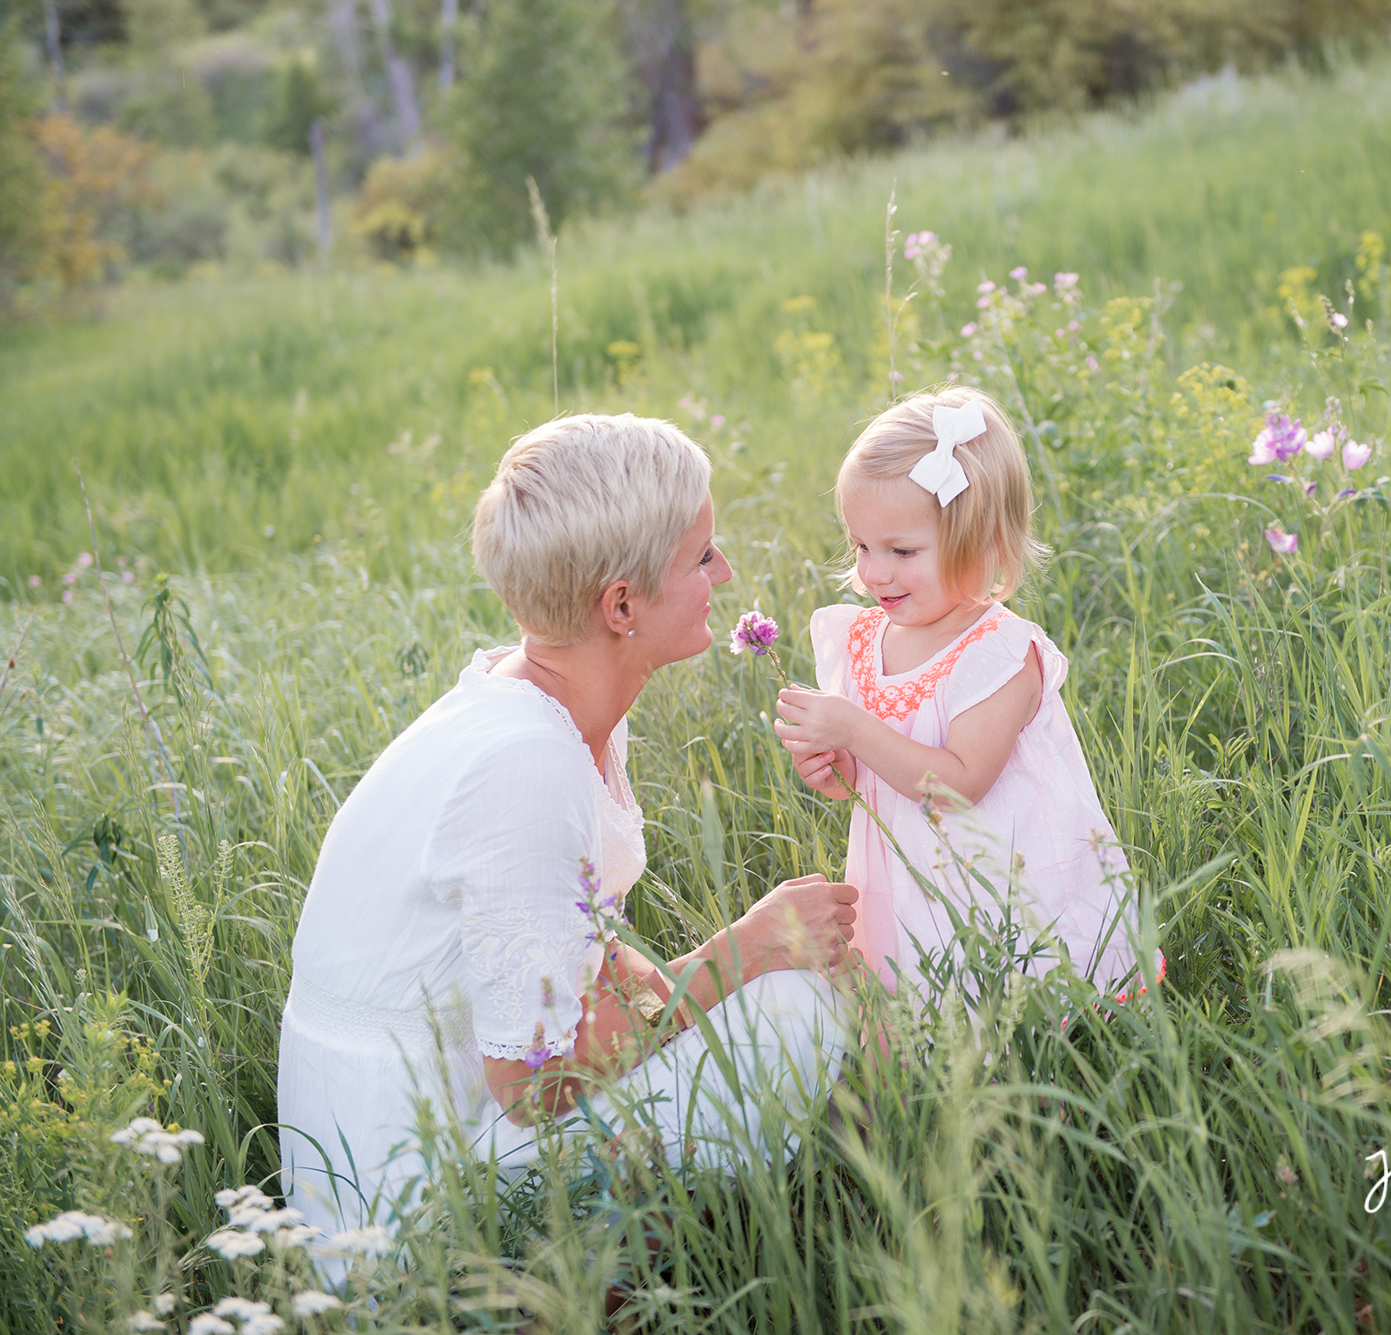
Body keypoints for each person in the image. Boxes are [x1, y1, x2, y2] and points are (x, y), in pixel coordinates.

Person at [277, 413, 857, 1256]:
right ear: (621, 604)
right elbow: (536, 1082)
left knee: (762, 1006)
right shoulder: (526, 763)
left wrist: (687, 986)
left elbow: (583, 949)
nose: (723, 571)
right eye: (701, 555)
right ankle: (614, 1287)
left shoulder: (544, 706)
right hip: (409, 1216)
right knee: (792, 1011)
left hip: (442, 1125)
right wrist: (741, 951)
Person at [772, 387, 1159, 997]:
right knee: (925, 999)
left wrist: (853, 728)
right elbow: (869, 780)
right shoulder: (864, 639)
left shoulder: (998, 656)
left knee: (1008, 1002)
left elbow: (957, 785)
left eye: (902, 551)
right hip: (907, 880)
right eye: (861, 546)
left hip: (1004, 879)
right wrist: (832, 765)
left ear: (983, 546)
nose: (874, 571)